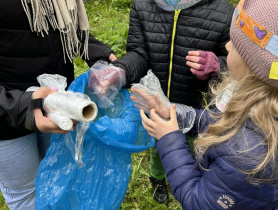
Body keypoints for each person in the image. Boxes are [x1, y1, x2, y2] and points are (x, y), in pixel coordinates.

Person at [136, 0, 278, 209]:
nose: (228, 45)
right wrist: (180, 115)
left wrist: (169, 139)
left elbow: (197, 203)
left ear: (256, 68)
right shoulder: (263, 106)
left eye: (236, 44)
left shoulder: (249, 159)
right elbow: (223, 124)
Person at [89, 0, 234, 203]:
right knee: (159, 146)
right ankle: (157, 178)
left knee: (197, 145)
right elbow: (138, 53)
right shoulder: (142, 5)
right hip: (155, 102)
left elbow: (236, 60)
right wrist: (119, 71)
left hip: (196, 105)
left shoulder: (224, 11)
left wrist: (218, 65)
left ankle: (192, 182)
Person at [0, 0, 116, 209]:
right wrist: (23, 107)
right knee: (26, 196)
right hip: (6, 118)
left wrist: (98, 53)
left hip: (55, 105)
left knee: (58, 177)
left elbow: (61, 26)